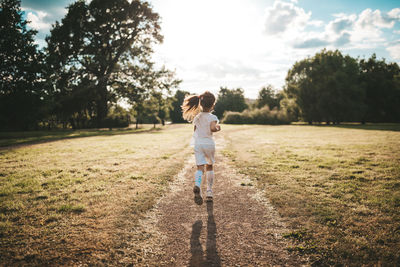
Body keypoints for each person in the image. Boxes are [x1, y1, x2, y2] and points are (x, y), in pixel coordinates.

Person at [181, 91, 221, 204]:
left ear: (200, 104)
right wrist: (218, 127)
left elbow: (195, 131)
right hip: (209, 144)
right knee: (209, 166)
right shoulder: (212, 117)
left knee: (200, 168)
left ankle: (197, 185)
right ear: (213, 105)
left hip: (198, 144)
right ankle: (209, 191)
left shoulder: (197, 117)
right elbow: (213, 128)